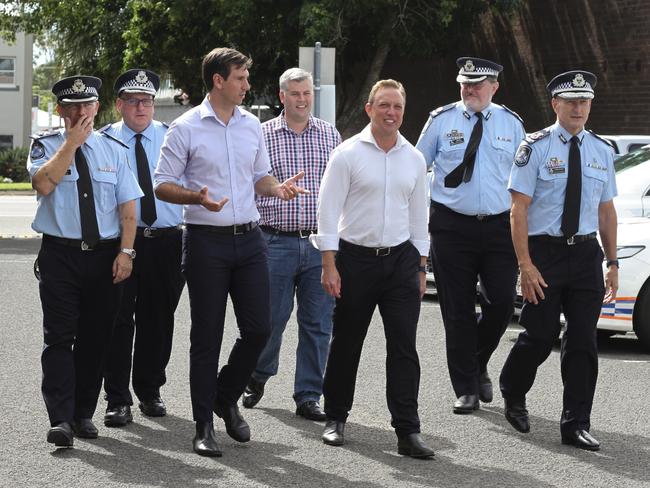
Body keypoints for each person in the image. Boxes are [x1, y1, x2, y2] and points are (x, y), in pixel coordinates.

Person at [154, 47, 307, 457]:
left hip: (250, 240)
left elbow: (258, 176)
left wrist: (275, 187)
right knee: (207, 336)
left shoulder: (251, 126)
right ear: (218, 80)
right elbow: (162, 184)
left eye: (246, 77)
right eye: (240, 78)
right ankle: (203, 424)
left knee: (260, 328)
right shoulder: (185, 127)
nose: (246, 85)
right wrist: (195, 197)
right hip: (205, 241)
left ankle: (225, 395)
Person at [311, 79, 434, 459]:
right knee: (347, 342)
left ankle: (407, 431)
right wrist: (329, 263)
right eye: (384, 105)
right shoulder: (347, 154)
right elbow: (327, 211)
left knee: (403, 348)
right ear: (369, 109)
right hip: (354, 260)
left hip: (400, 262)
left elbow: (419, 215)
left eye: (397, 106)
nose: (391, 113)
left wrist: (421, 267)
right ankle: (335, 417)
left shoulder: (413, 158)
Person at [499, 70, 618, 451]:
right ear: (555, 105)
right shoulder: (534, 147)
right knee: (539, 335)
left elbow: (606, 212)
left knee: (583, 341)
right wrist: (525, 264)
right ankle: (513, 392)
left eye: (584, 101)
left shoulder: (602, 150)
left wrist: (613, 263)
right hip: (544, 254)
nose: (578, 108)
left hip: (585, 255)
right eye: (571, 102)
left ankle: (576, 423)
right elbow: (518, 210)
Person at [27, 75, 143, 447]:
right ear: (60, 110)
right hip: (60, 255)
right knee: (59, 338)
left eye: (87, 105)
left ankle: (82, 413)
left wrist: (126, 252)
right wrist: (72, 144)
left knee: (97, 338)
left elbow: (129, 207)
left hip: (105, 256)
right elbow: (44, 184)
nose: (80, 112)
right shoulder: (45, 147)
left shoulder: (114, 149)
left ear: (98, 107)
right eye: (72, 106)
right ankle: (60, 418)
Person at [415, 57, 525, 414]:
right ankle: (465, 387)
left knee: (502, 304)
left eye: (477, 85)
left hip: (498, 227)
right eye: (465, 83)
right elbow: (417, 171)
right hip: (451, 226)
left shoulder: (512, 124)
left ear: (495, 87)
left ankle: (477, 362)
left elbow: (525, 185)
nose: (469, 90)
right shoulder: (441, 120)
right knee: (457, 310)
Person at [241, 68, 341, 420]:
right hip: (274, 242)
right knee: (271, 319)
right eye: (295, 93)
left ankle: (308, 395)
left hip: (318, 243)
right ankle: (258, 374)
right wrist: (275, 189)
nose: (302, 99)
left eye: (307, 93)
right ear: (282, 96)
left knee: (318, 323)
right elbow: (247, 181)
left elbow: (341, 187)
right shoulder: (261, 134)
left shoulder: (330, 135)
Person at [100, 69, 185, 427]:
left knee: (158, 321)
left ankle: (150, 391)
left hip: (165, 242)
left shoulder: (172, 139)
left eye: (147, 101)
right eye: (133, 101)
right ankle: (117, 398)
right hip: (120, 244)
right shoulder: (103, 141)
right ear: (119, 104)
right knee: (118, 320)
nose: (141, 107)